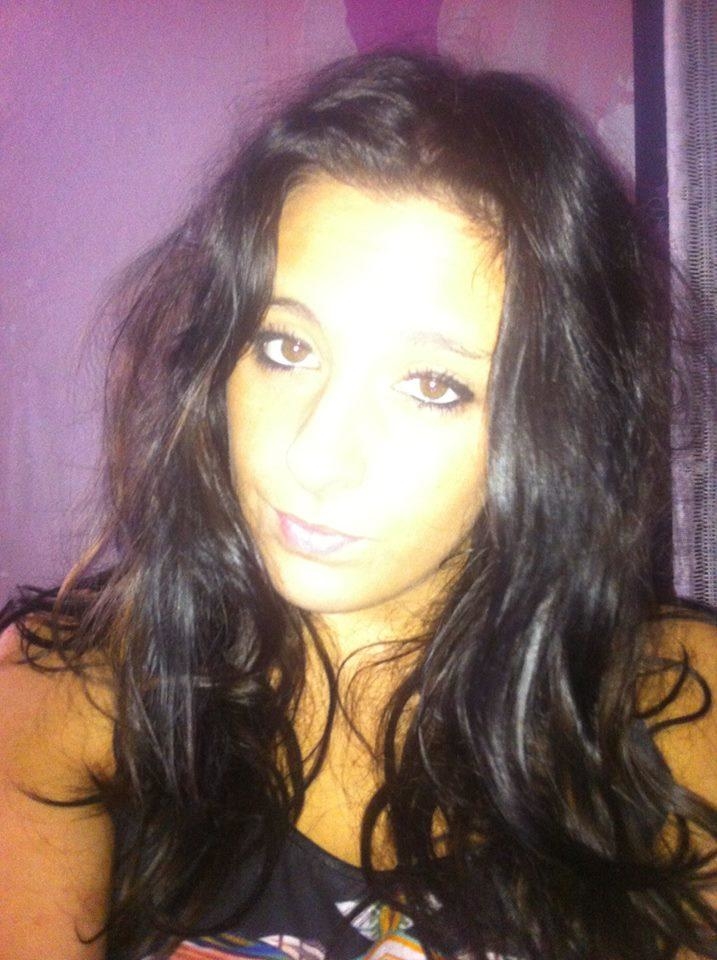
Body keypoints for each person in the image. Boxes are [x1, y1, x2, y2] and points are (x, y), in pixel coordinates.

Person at [1, 50, 716, 960]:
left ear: (556, 423)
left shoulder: (675, 713)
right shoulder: (56, 703)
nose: (314, 456)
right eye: (285, 347)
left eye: (431, 385)